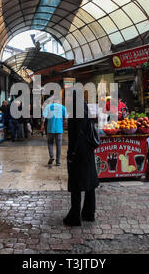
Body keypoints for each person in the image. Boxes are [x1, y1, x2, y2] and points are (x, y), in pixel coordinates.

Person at [65, 90, 99, 226]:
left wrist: (71, 153)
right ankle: (88, 213)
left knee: (76, 184)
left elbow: (76, 135)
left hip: (79, 152)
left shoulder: (75, 111)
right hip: (88, 151)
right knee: (90, 182)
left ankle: (74, 217)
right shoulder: (85, 108)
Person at [41, 97, 67, 166]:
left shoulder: (48, 106)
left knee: (50, 143)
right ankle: (58, 161)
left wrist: (42, 125)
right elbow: (66, 117)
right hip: (59, 129)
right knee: (59, 145)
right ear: (59, 101)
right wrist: (64, 122)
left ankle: (52, 156)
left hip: (50, 129)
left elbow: (43, 116)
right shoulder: (62, 107)